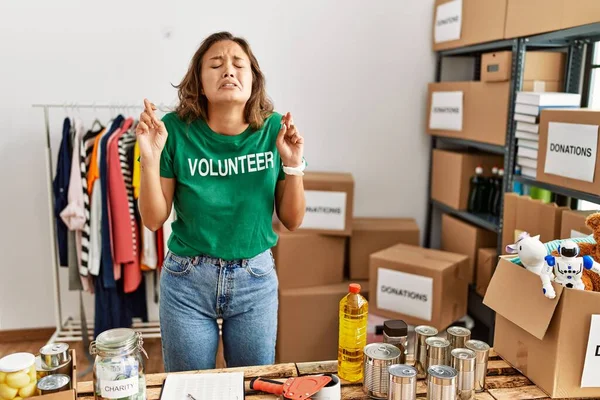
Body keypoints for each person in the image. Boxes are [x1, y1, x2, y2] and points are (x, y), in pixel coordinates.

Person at [136, 31, 306, 372]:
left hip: (254, 280)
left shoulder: (274, 130)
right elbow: (154, 219)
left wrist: (293, 164)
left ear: (253, 79)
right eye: (215, 64)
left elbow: (293, 220)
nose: (228, 70)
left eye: (238, 64)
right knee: (188, 389)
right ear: (199, 83)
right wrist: (150, 160)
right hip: (187, 280)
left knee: (252, 386)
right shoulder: (173, 130)